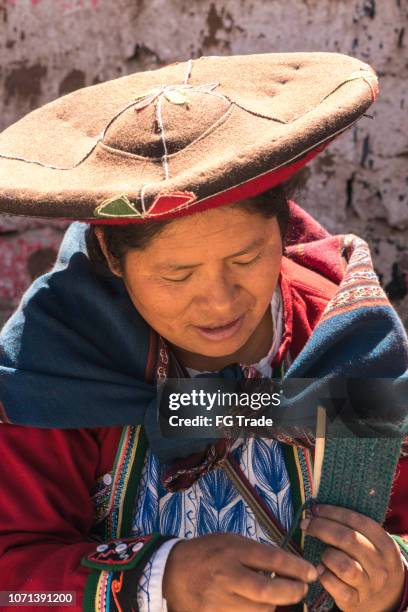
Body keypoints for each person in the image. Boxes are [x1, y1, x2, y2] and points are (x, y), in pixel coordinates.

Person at [0, 52, 407, 612]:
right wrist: (158, 579)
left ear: (281, 227)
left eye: (246, 258)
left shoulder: (349, 343)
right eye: (177, 274)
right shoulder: (58, 365)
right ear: (112, 259)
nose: (219, 301)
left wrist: (392, 582)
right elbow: (14, 585)